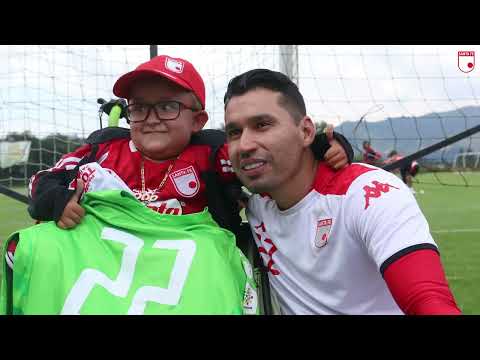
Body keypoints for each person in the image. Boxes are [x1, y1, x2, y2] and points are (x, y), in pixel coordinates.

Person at [1, 56, 352, 314]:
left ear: (197, 119)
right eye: (139, 107)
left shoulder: (213, 154)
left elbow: (275, 160)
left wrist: (324, 148)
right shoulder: (102, 150)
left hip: (188, 267)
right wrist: (55, 199)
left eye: (167, 106)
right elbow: (46, 178)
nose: (151, 118)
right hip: (106, 258)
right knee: (34, 249)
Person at [223, 68, 461, 315]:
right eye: (234, 132)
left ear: (306, 132)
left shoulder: (366, 194)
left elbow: (427, 298)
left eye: (262, 125)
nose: (245, 145)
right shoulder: (256, 202)